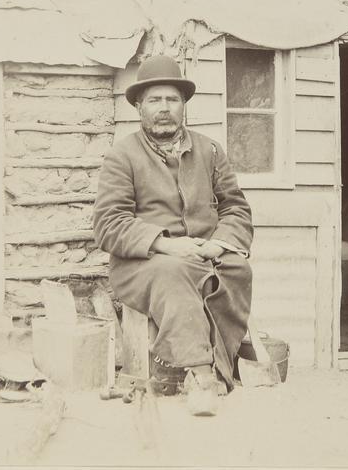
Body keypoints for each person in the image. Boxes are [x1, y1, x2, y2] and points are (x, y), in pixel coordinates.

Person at [93, 55, 253, 416]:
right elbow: (108, 223)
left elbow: (236, 208)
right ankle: (200, 377)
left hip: (204, 254)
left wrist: (218, 242)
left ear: (183, 106)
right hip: (143, 264)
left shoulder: (210, 151)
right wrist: (165, 244)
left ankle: (222, 363)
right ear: (138, 106)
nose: (164, 109)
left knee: (238, 271)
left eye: (172, 100)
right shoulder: (122, 156)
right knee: (174, 273)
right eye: (154, 100)